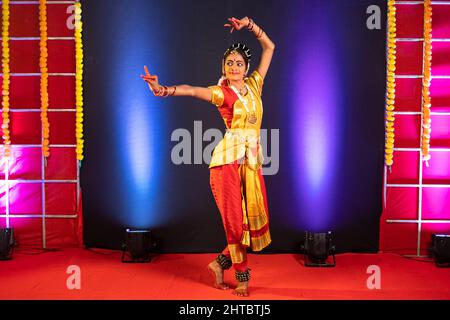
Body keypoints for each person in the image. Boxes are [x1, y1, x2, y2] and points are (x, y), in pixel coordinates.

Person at [141, 16, 275, 297]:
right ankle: (242, 279)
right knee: (235, 225)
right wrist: (161, 89)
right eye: (230, 63)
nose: (234, 67)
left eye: (239, 63)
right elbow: (192, 90)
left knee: (249, 224)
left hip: (250, 163)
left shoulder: (255, 86)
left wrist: (249, 25)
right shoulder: (221, 92)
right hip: (226, 163)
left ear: (246, 67)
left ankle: (218, 264)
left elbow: (270, 47)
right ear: (224, 68)